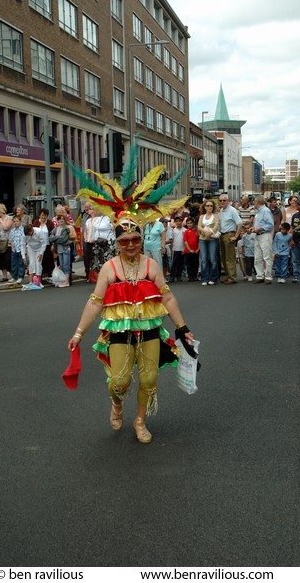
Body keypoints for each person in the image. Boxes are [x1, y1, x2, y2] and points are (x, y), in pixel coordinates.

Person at [68, 147, 197, 445]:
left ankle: (140, 420)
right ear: (117, 241)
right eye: (124, 240)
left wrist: (183, 327)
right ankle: (116, 404)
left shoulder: (151, 265)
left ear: (141, 239)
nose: (130, 244)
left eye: (135, 239)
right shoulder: (109, 269)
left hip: (150, 329)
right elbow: (94, 302)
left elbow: (167, 297)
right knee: (120, 382)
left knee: (150, 379)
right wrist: (78, 333)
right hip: (119, 332)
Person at [218, 194, 242, 284]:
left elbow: (239, 223)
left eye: (224, 200)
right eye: (220, 200)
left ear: (228, 201)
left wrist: (236, 236)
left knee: (230, 257)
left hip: (229, 234)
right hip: (222, 235)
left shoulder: (232, 210)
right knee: (224, 257)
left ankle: (232, 277)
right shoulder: (221, 211)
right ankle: (228, 276)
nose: (222, 202)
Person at [49, 213, 76, 287]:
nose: (61, 220)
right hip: (59, 250)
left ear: (64, 220)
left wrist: (55, 239)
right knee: (62, 265)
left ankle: (66, 282)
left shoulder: (66, 228)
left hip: (65, 249)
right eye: (59, 219)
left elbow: (63, 239)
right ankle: (64, 280)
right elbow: (50, 238)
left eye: (62, 219)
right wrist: (57, 238)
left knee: (66, 265)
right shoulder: (56, 229)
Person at [197, 200, 220, 285]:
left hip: (212, 238)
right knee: (204, 259)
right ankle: (205, 278)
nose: (210, 207)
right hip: (202, 239)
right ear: (205, 207)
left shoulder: (215, 216)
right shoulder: (201, 216)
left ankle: (213, 278)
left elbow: (216, 226)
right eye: (208, 205)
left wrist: (209, 233)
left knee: (213, 259)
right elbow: (199, 226)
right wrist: (205, 232)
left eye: (211, 206)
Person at [253, 196, 274, 284]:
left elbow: (270, 224)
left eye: (254, 202)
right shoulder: (258, 212)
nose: (253, 203)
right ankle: (260, 275)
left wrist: (260, 228)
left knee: (266, 256)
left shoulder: (265, 211)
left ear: (258, 202)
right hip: (258, 235)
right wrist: (253, 228)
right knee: (257, 257)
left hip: (264, 235)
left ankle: (268, 277)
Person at [90, 213, 116, 282]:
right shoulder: (100, 218)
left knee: (108, 261)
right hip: (98, 243)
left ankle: (111, 279)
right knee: (99, 262)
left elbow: (114, 229)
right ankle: (103, 280)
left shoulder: (110, 217)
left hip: (108, 243)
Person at [32, 208, 54, 279]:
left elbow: (52, 234)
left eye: (45, 215)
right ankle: (40, 275)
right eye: (42, 215)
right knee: (39, 260)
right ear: (39, 215)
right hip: (38, 245)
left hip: (47, 245)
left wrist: (53, 244)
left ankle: (49, 274)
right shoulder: (35, 222)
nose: (43, 217)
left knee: (48, 260)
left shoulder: (50, 223)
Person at [0, 203, 12, 281]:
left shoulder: (9, 218)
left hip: (8, 243)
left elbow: (6, 227)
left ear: (1, 210)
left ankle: (13, 275)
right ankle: (5, 276)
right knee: (1, 260)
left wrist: (1, 220)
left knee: (8, 260)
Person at [8, 215, 26, 284]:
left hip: (21, 250)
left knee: (21, 264)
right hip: (14, 249)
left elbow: (25, 241)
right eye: (14, 221)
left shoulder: (23, 230)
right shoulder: (12, 231)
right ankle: (14, 276)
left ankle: (20, 277)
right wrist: (12, 249)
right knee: (14, 264)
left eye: (17, 221)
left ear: (20, 221)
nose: (16, 223)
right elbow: (11, 241)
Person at [169, 216, 186, 282]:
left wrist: (184, 248)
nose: (178, 222)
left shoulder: (185, 230)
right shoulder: (173, 230)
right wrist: (172, 249)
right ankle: (172, 276)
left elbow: (185, 240)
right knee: (174, 263)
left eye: (180, 221)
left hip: (182, 248)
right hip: (175, 249)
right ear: (175, 222)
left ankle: (179, 276)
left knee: (181, 263)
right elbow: (172, 240)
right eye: (177, 221)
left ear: (182, 222)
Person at [183, 217, 199, 281]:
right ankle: (190, 276)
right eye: (188, 223)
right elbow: (185, 241)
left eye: (191, 223)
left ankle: (195, 276)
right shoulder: (186, 232)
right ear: (186, 224)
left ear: (193, 223)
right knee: (189, 264)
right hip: (188, 251)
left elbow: (199, 241)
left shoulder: (196, 232)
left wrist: (198, 249)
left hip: (196, 251)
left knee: (196, 263)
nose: (189, 224)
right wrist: (190, 250)